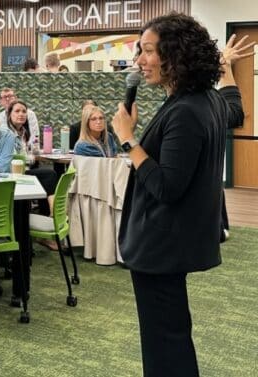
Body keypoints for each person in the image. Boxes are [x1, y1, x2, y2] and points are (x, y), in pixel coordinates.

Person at [111, 14, 252, 376]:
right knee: (171, 335)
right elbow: (235, 108)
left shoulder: (186, 111)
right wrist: (225, 68)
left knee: (164, 343)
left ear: (175, 55)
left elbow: (166, 187)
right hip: (173, 242)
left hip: (161, 244)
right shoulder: (207, 101)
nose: (139, 60)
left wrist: (128, 139)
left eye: (147, 51)